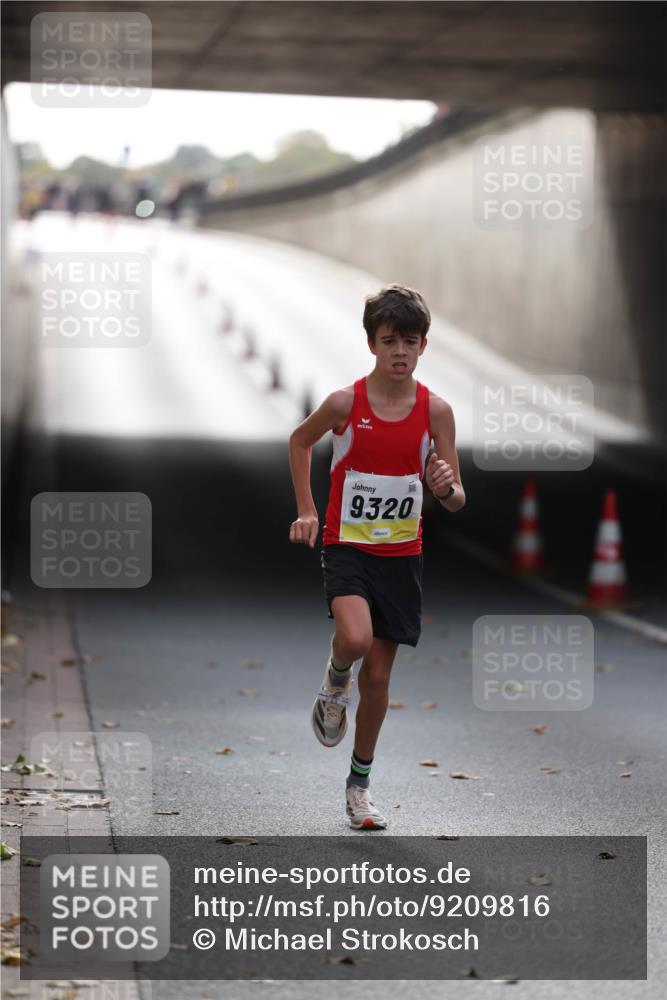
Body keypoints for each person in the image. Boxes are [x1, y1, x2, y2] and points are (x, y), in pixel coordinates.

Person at [288, 285, 465, 830]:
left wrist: (444, 486)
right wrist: (307, 510)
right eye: (389, 340)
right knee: (358, 640)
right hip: (347, 546)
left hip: (400, 555)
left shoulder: (437, 412)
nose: (400, 352)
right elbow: (299, 442)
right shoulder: (346, 404)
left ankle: (359, 786)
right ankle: (335, 676)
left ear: (424, 345)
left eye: (410, 341)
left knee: (382, 679)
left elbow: (456, 497)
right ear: (371, 344)